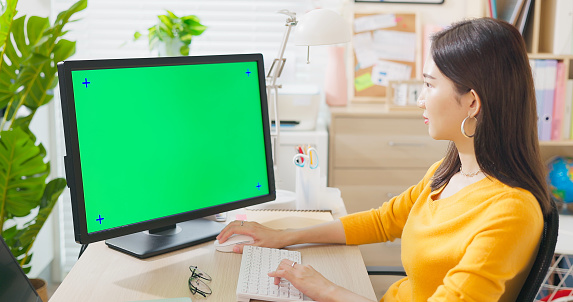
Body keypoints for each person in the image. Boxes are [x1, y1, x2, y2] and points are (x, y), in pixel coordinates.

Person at [216, 17, 552, 301]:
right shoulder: (448, 173)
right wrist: (284, 236)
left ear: (473, 103)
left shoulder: (511, 212)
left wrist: (326, 289)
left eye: (429, 85)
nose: (420, 100)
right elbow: (382, 222)